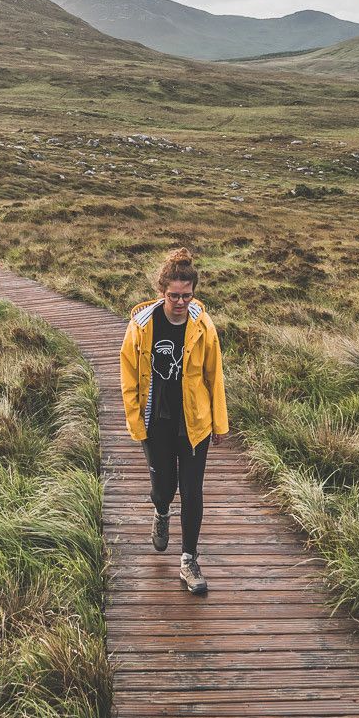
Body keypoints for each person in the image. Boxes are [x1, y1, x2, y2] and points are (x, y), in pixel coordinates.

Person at [119, 246, 228, 594]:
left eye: (186, 295)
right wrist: (135, 420)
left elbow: (215, 375)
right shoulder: (141, 326)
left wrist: (220, 425)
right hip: (156, 421)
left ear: (193, 292)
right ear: (162, 292)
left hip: (194, 422)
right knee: (164, 488)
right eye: (173, 296)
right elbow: (129, 377)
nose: (180, 302)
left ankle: (189, 560)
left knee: (192, 491)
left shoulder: (203, 326)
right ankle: (161, 511)